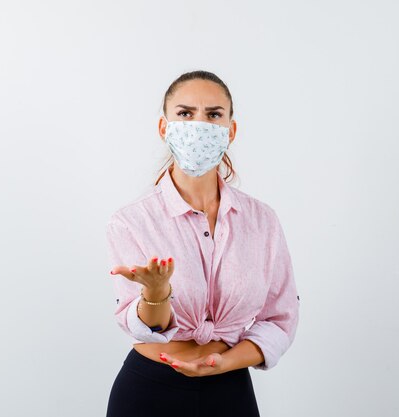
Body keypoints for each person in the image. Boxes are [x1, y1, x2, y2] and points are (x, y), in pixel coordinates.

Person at [105, 70, 300, 417]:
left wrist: (223, 363)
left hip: (230, 392)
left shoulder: (262, 220)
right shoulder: (131, 221)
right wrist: (155, 293)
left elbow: (280, 318)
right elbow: (147, 327)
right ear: (164, 128)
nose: (199, 125)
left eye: (213, 115)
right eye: (185, 113)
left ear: (231, 130)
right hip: (148, 393)